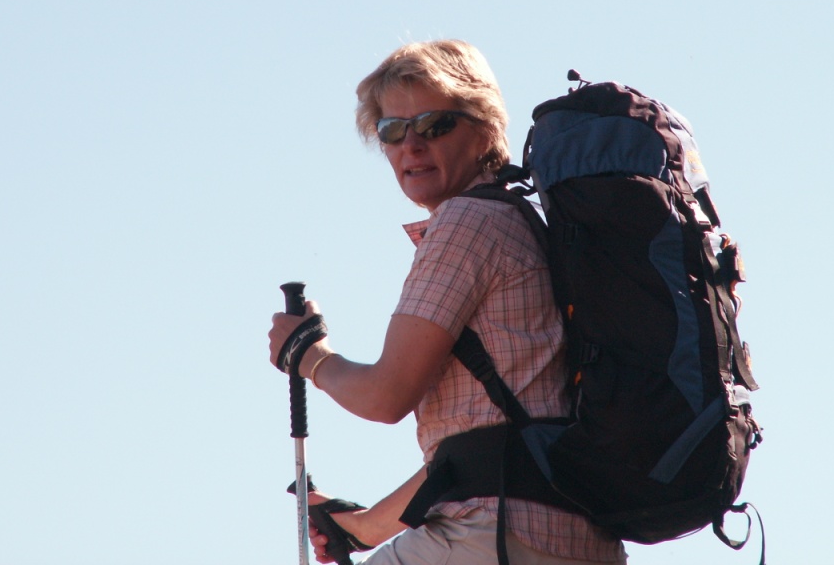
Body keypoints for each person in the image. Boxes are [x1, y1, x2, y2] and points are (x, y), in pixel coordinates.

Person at [268, 40, 626, 565]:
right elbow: (482, 452)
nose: (411, 145)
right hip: (570, 540)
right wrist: (363, 527)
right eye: (392, 130)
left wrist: (310, 357)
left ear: (484, 129)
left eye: (434, 125)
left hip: (494, 535)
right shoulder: (525, 225)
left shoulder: (466, 222)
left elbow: (386, 396)